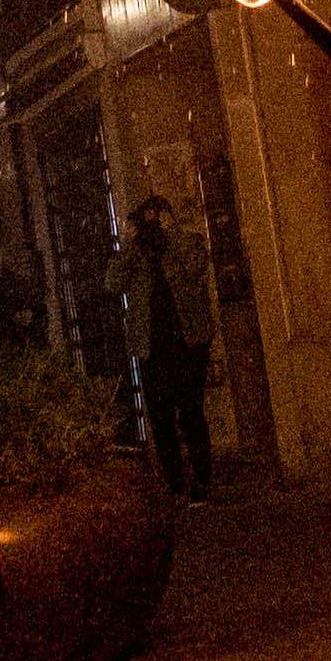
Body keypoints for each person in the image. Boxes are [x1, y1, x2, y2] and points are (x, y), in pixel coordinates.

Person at [111, 196, 215, 502]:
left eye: (157, 218)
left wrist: (173, 234)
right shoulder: (136, 254)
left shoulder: (188, 242)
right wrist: (130, 245)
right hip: (151, 349)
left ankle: (202, 482)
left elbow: (197, 267)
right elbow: (112, 282)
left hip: (187, 343)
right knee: (160, 419)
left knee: (192, 413)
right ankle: (175, 485)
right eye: (149, 220)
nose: (153, 227)